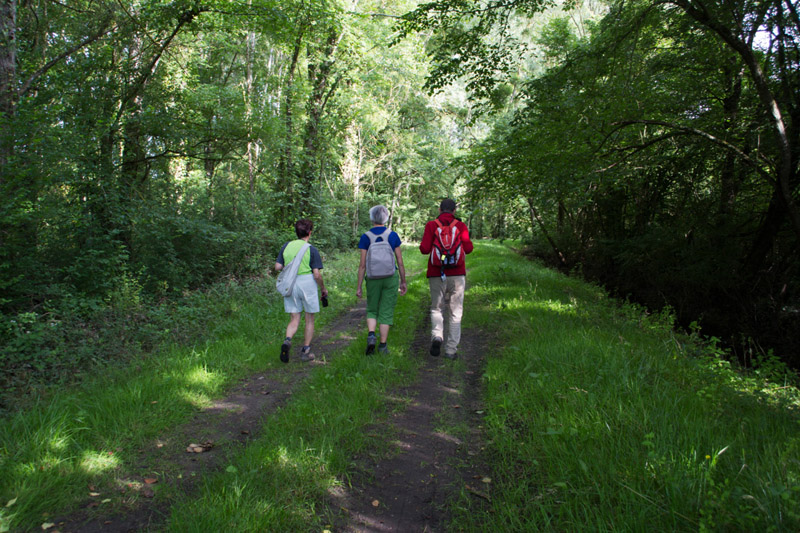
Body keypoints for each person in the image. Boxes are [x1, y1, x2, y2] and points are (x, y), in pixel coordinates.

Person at [419, 198, 474, 360]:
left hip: (436, 273)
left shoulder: (431, 225)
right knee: (455, 313)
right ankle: (451, 351)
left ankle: (437, 336)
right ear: (454, 211)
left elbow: (424, 249)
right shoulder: (461, 226)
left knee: (436, 308)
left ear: (439, 209)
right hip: (457, 275)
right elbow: (469, 248)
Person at [356, 205, 407, 355]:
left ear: (372, 218)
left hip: (373, 277)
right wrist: (403, 281)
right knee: (386, 311)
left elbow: (362, 265)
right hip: (390, 277)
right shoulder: (393, 235)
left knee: (372, 309)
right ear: (386, 218)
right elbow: (400, 261)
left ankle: (372, 335)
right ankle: (383, 346)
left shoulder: (366, 237)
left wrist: (359, 286)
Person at [275, 219, 328, 363]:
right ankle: (305, 351)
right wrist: (323, 288)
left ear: (296, 232)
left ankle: (287, 340)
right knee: (309, 318)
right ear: (309, 232)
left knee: (294, 318)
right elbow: (316, 274)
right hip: (307, 283)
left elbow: (277, 267)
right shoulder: (311, 249)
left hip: (291, 283)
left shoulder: (286, 246)